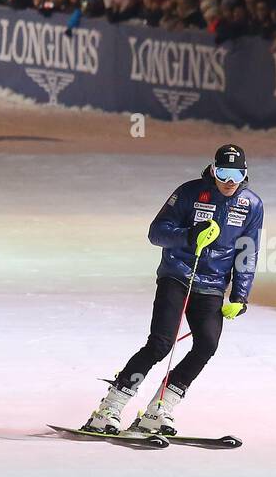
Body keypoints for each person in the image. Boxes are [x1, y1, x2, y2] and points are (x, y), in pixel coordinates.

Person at [83, 145, 264, 436]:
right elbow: (156, 232)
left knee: (207, 344)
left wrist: (240, 294)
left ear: (245, 175)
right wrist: (189, 236)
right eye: (224, 173)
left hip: (213, 285)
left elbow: (247, 250)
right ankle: (109, 410)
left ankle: (159, 410)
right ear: (213, 170)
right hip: (177, 276)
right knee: (160, 344)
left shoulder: (251, 205)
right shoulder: (190, 193)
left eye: (237, 175)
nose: (230, 181)